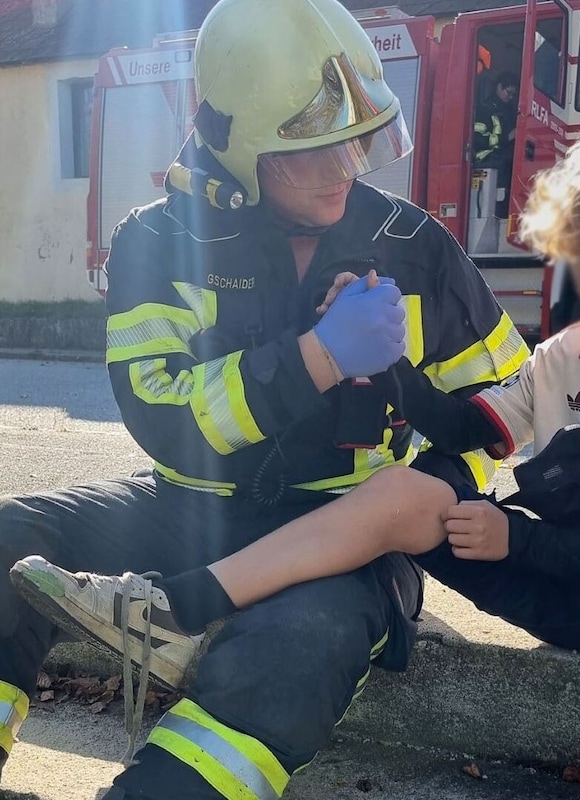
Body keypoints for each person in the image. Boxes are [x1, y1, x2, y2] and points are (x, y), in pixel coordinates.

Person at [13, 115, 580, 800]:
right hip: (537, 579)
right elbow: (466, 422)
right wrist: (362, 360)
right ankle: (180, 607)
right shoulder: (570, 354)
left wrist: (498, 527)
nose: (345, 164)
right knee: (402, 492)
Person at [0, 0, 528, 798]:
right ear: (238, 151)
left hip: (342, 536)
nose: (344, 169)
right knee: (11, 534)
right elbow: (166, 420)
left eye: (354, 142)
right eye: (307, 152)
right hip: (190, 505)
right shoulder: (157, 240)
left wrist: (424, 441)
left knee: (300, 641)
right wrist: (315, 358)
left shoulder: (414, 245)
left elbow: (507, 412)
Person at [472, 69, 519, 218]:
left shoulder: (510, 111)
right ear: (499, 87)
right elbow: (477, 138)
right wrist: (506, 138)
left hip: (500, 156)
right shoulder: (485, 109)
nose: (510, 97)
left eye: (513, 94)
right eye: (508, 92)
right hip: (485, 157)